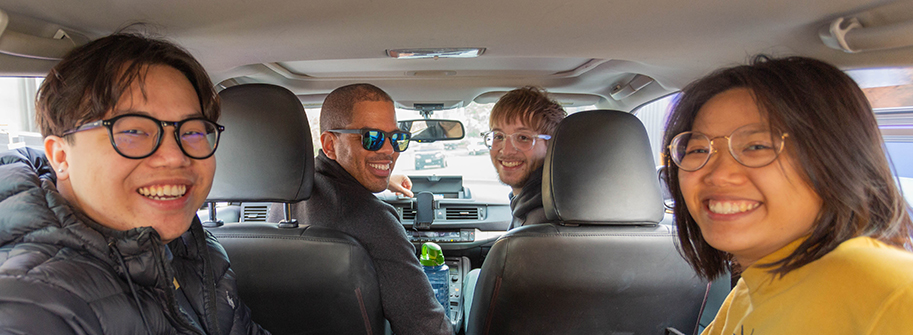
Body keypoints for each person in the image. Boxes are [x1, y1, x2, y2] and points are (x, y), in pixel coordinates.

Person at [0, 33, 268, 334]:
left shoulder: (193, 246)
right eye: (133, 131)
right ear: (61, 156)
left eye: (192, 131)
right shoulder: (32, 308)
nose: (174, 157)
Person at [662, 55, 913, 334]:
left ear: (836, 159)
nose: (718, 174)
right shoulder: (752, 288)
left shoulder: (892, 292)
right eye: (698, 150)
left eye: (757, 146)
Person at [266, 83, 452, 335]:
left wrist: (380, 178)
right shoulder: (375, 221)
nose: (389, 150)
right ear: (330, 144)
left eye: (397, 138)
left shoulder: (281, 202)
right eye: (371, 138)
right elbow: (426, 328)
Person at [487, 86, 566, 229]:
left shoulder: (541, 223)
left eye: (523, 138)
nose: (506, 150)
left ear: (553, 145)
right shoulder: (537, 206)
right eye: (499, 136)